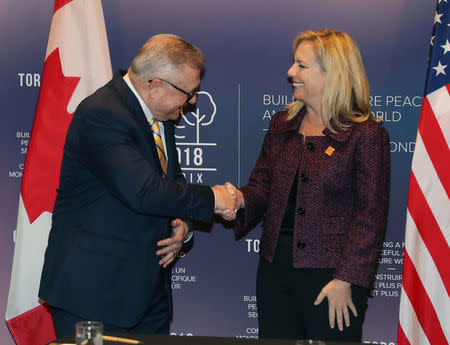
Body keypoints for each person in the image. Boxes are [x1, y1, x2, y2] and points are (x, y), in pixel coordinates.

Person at [39, 34, 237, 337]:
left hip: (147, 294)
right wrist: (214, 199)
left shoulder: (160, 115)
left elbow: (172, 183)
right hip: (95, 296)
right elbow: (144, 192)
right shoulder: (103, 114)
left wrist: (183, 223)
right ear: (155, 86)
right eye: (190, 91)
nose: (194, 100)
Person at [222, 29, 390, 341]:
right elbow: (261, 187)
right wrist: (239, 200)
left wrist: (346, 281)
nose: (290, 72)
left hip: (332, 280)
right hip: (274, 271)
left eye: (301, 65)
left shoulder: (365, 136)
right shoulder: (281, 125)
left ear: (333, 74)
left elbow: (370, 218)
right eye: (293, 63)